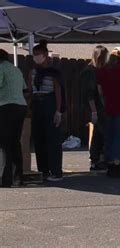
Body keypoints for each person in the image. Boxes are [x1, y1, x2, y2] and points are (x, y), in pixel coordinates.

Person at [28, 40, 64, 182]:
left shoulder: (53, 72)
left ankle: (56, 170)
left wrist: (58, 111)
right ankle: (43, 169)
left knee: (53, 138)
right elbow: (30, 91)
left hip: (50, 102)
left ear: (45, 55)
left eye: (38, 54)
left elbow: (58, 91)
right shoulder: (32, 72)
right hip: (37, 102)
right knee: (39, 138)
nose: (36, 57)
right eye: (34, 54)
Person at [97, 48, 120, 178]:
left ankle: (108, 162)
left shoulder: (103, 71)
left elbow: (100, 91)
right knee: (118, 137)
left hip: (108, 106)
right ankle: (116, 163)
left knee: (109, 136)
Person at [0, 49, 27, 187]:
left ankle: (6, 178)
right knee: (15, 142)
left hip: (6, 107)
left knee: (4, 143)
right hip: (20, 106)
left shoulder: (0, 68)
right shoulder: (16, 70)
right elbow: (24, 88)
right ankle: (18, 177)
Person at [81, 45, 108, 171]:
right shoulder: (90, 71)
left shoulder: (96, 70)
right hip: (94, 106)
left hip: (98, 106)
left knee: (99, 133)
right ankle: (95, 159)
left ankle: (97, 159)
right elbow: (89, 93)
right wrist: (94, 111)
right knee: (98, 133)